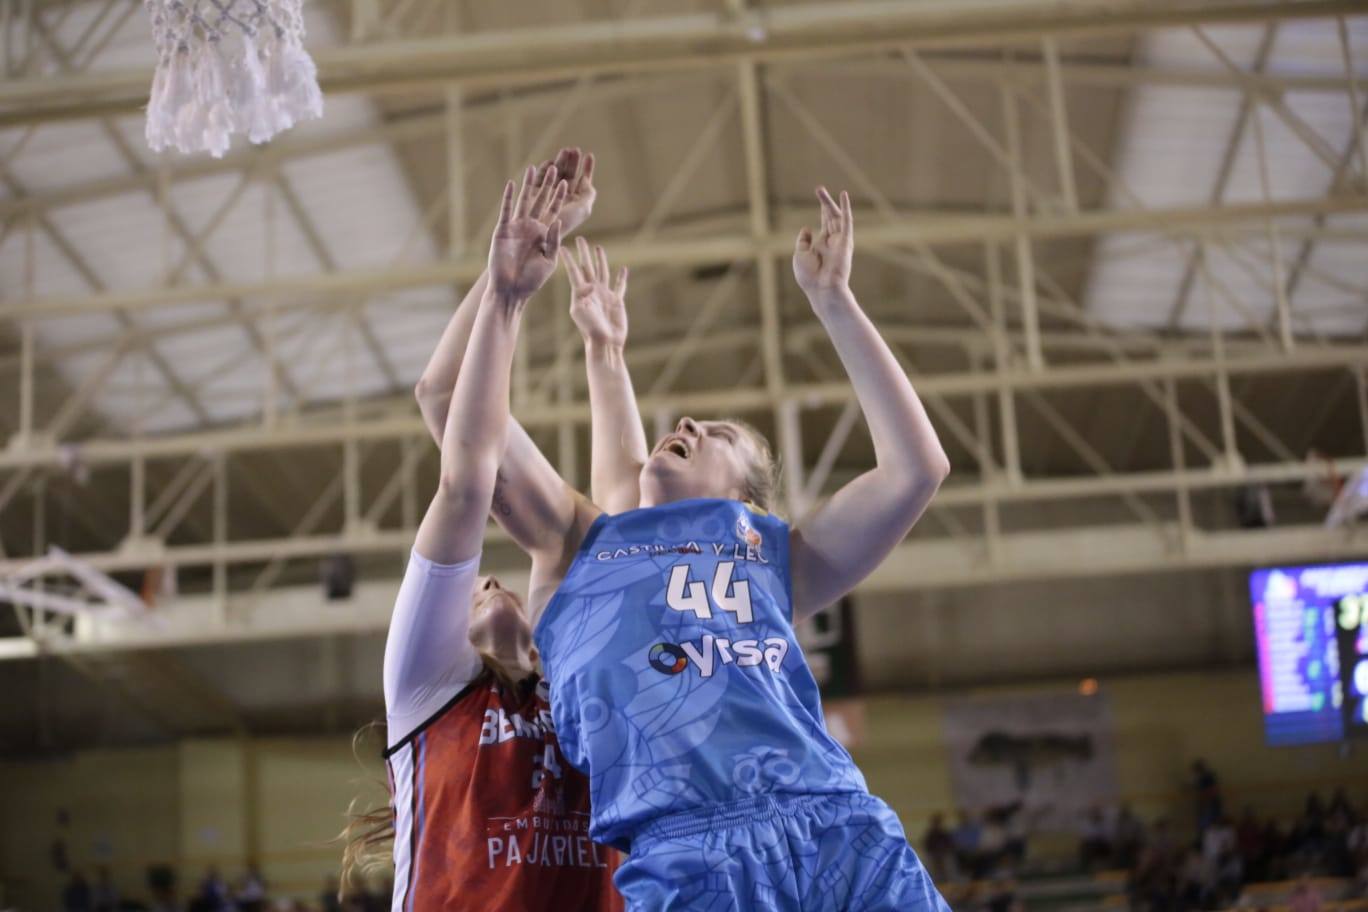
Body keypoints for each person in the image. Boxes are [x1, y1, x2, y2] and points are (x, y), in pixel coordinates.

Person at [468, 184, 952, 909]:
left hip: (835, 833)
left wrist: (834, 303)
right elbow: (474, 421)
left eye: (720, 435)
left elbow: (919, 468)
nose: (691, 420)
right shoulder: (587, 553)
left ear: (748, 502)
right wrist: (554, 323)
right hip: (685, 856)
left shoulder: (770, 556)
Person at [341, 154, 622, 911]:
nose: (487, 579)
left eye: (495, 581)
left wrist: (601, 352)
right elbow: (462, 472)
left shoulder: (585, 680)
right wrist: (503, 293)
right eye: (472, 588)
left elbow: (443, 401)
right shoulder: (428, 688)